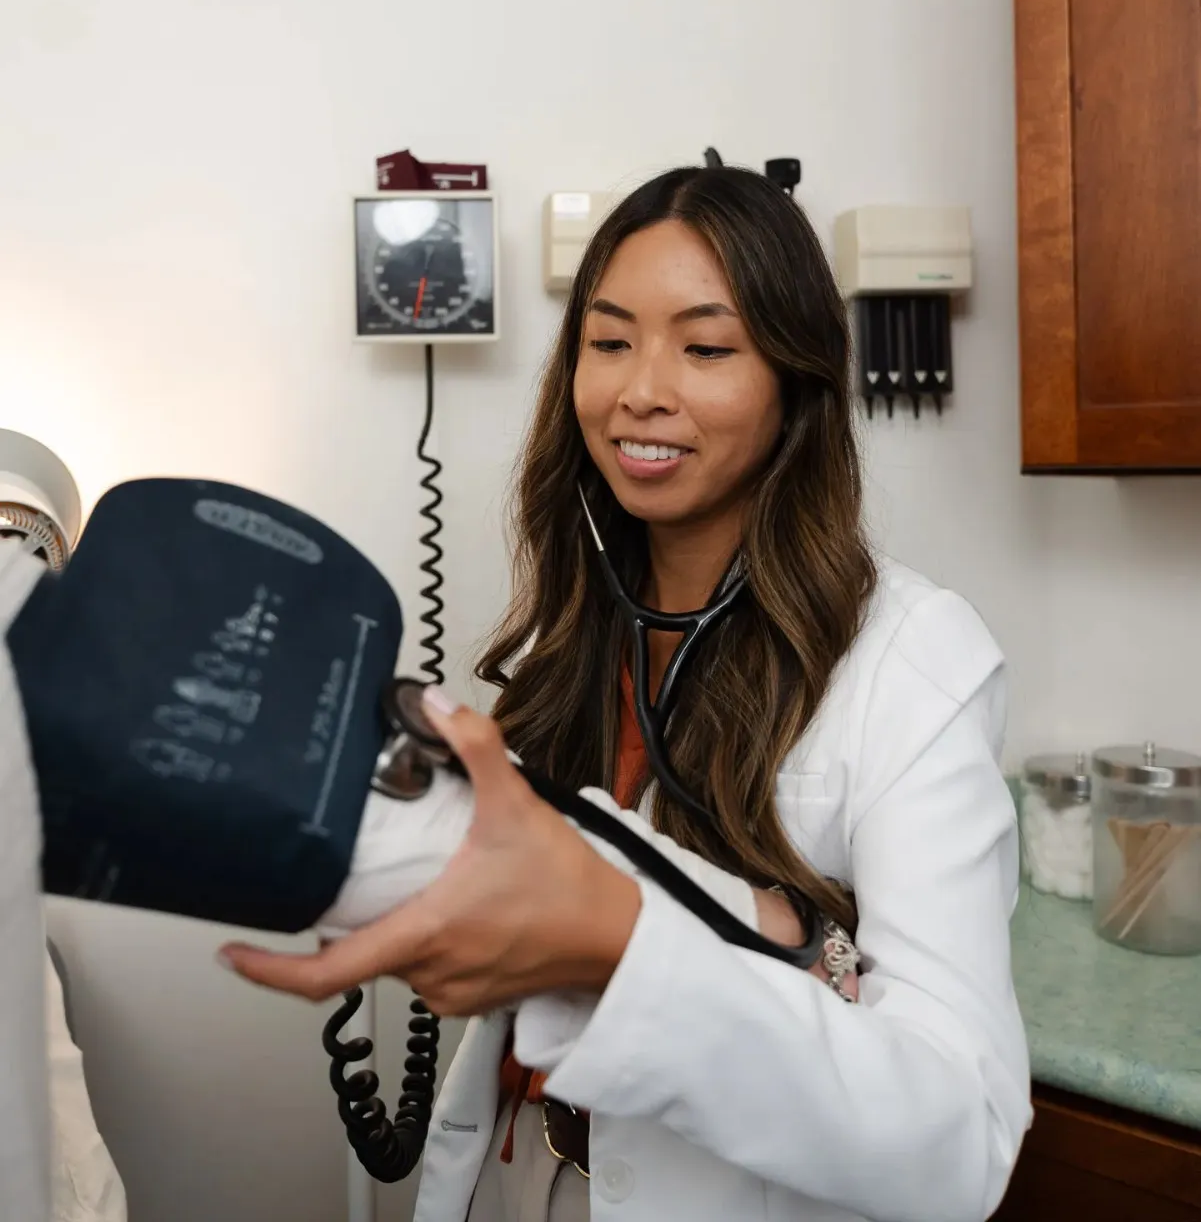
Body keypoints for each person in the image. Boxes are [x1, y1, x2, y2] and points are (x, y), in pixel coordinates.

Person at [223, 166, 1033, 1222]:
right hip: (520, 1174)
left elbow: (959, 1139)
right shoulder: (578, 630)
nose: (639, 390)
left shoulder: (909, 660)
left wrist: (649, 937)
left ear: (795, 381)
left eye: (704, 347)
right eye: (608, 342)